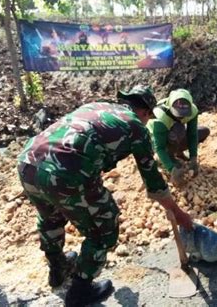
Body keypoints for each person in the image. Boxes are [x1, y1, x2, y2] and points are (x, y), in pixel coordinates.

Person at [17, 85, 193, 307]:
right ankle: (80, 290)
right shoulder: (136, 127)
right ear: (146, 112)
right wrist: (179, 214)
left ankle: (57, 269)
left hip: (28, 162)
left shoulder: (96, 106)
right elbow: (154, 183)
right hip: (67, 171)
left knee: (51, 217)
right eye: (148, 117)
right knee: (104, 226)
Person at [147, 89, 210, 187]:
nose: (181, 117)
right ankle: (167, 158)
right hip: (155, 140)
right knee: (177, 130)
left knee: (204, 131)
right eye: (178, 114)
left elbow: (192, 134)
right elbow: (159, 147)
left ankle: (178, 153)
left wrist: (193, 158)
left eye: (183, 115)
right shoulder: (160, 117)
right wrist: (172, 169)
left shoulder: (192, 111)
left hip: (174, 134)